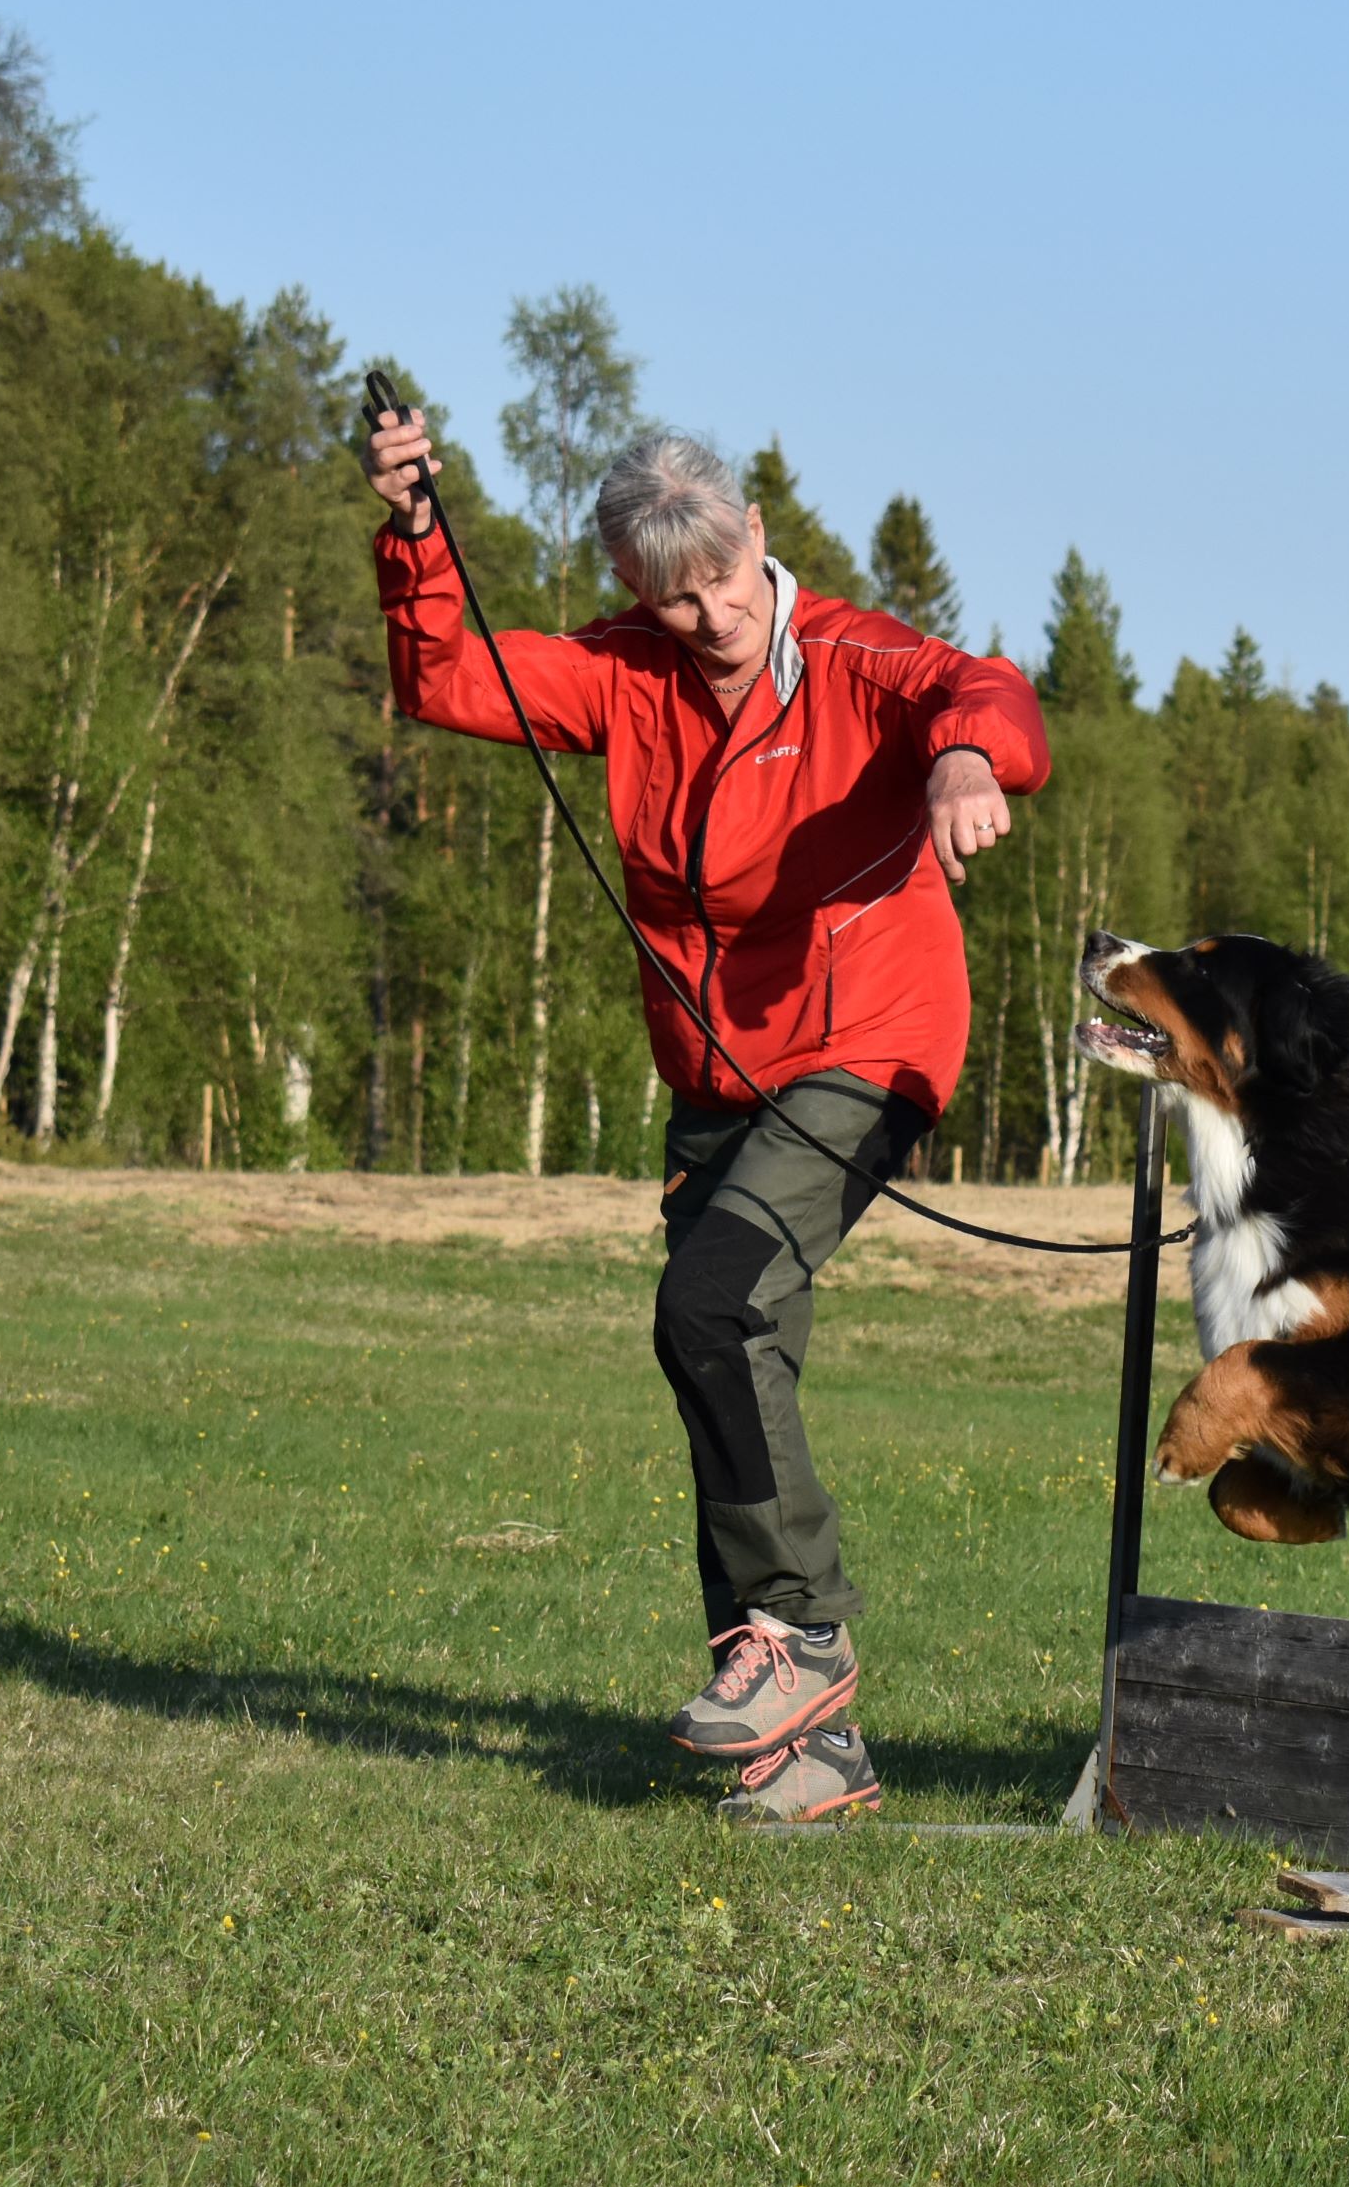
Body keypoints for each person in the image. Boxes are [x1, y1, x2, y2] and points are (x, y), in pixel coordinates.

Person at [364, 407, 1048, 1822]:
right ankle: (807, 1759)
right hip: (716, 1078)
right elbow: (448, 678)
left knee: (707, 1310)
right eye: (671, 595)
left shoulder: (856, 660)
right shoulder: (630, 676)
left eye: (724, 577)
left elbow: (982, 689)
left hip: (868, 1046)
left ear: (756, 541)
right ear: (635, 590)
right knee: (732, 1378)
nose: (712, 614)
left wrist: (968, 763)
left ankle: (798, 1635)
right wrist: (418, 536)